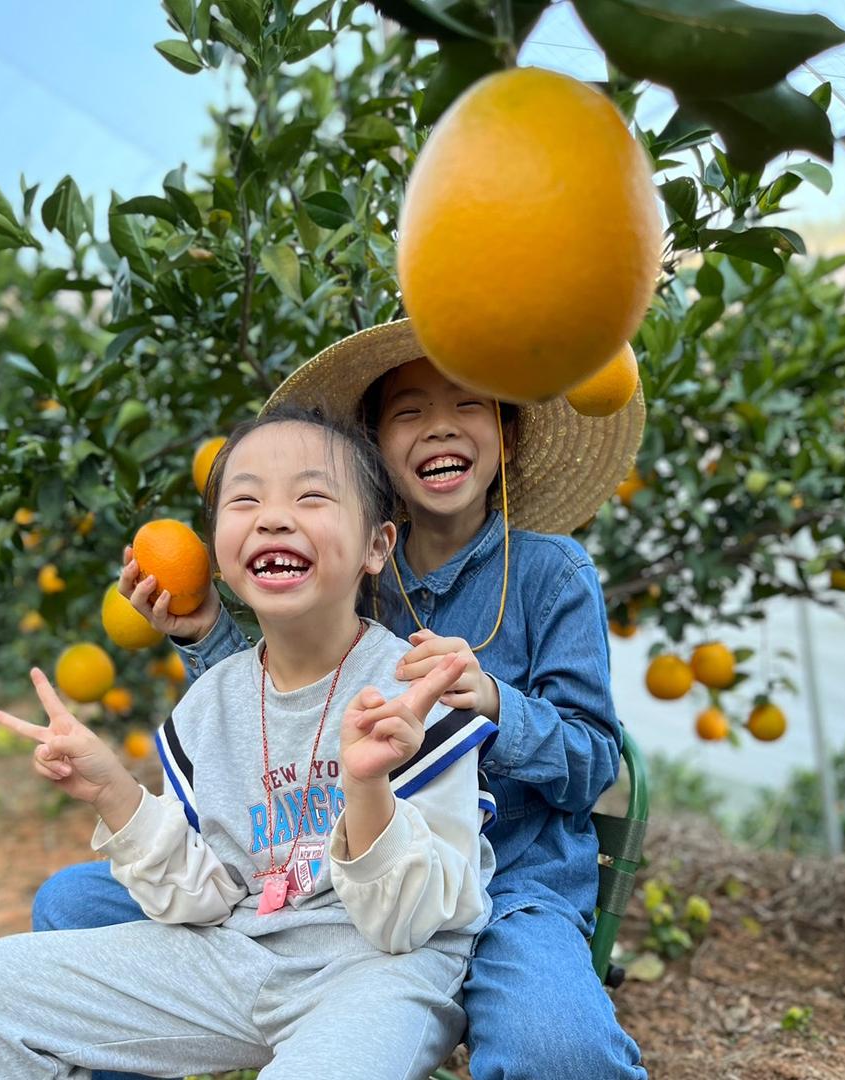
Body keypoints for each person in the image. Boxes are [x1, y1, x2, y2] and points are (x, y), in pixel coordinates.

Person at [37, 319, 648, 1079]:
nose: (439, 427)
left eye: (468, 405)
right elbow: (270, 716)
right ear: (377, 456)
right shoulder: (348, 564)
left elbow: (594, 764)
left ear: (509, 435)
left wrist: (497, 702)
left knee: (560, 1050)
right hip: (334, 877)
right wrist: (204, 632)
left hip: (513, 882)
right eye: (409, 412)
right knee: (73, 906)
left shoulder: (551, 575)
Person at [0, 410, 499, 1080]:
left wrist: (367, 788)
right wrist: (113, 792)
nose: (273, 518)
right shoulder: (210, 703)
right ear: (217, 552)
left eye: (311, 495)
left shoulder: (416, 689)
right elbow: (204, 899)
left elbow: (411, 925)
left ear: (376, 546)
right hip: (239, 957)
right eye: (245, 500)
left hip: (376, 975)